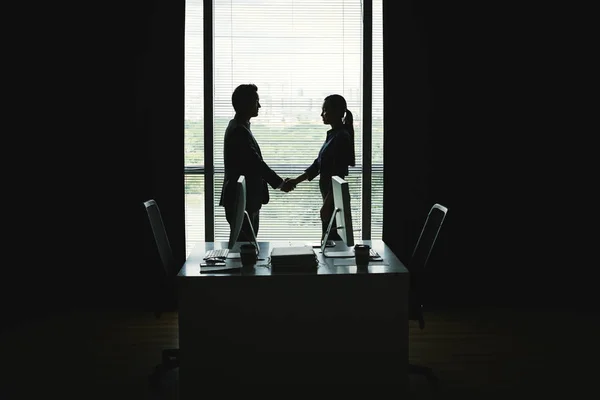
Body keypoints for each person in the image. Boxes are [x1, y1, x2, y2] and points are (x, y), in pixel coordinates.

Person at [219, 83, 293, 242]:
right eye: (256, 101)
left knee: (245, 248)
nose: (259, 105)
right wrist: (280, 183)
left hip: (242, 198)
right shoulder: (239, 130)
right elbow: (255, 163)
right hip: (242, 199)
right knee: (246, 248)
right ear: (245, 104)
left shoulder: (238, 126)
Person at [282, 94, 355, 241]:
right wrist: (296, 180)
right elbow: (318, 164)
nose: (322, 114)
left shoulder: (341, 137)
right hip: (330, 197)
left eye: (325, 110)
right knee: (329, 241)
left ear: (338, 112)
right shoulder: (334, 135)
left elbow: (339, 175)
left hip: (333, 199)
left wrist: (327, 204)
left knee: (331, 242)